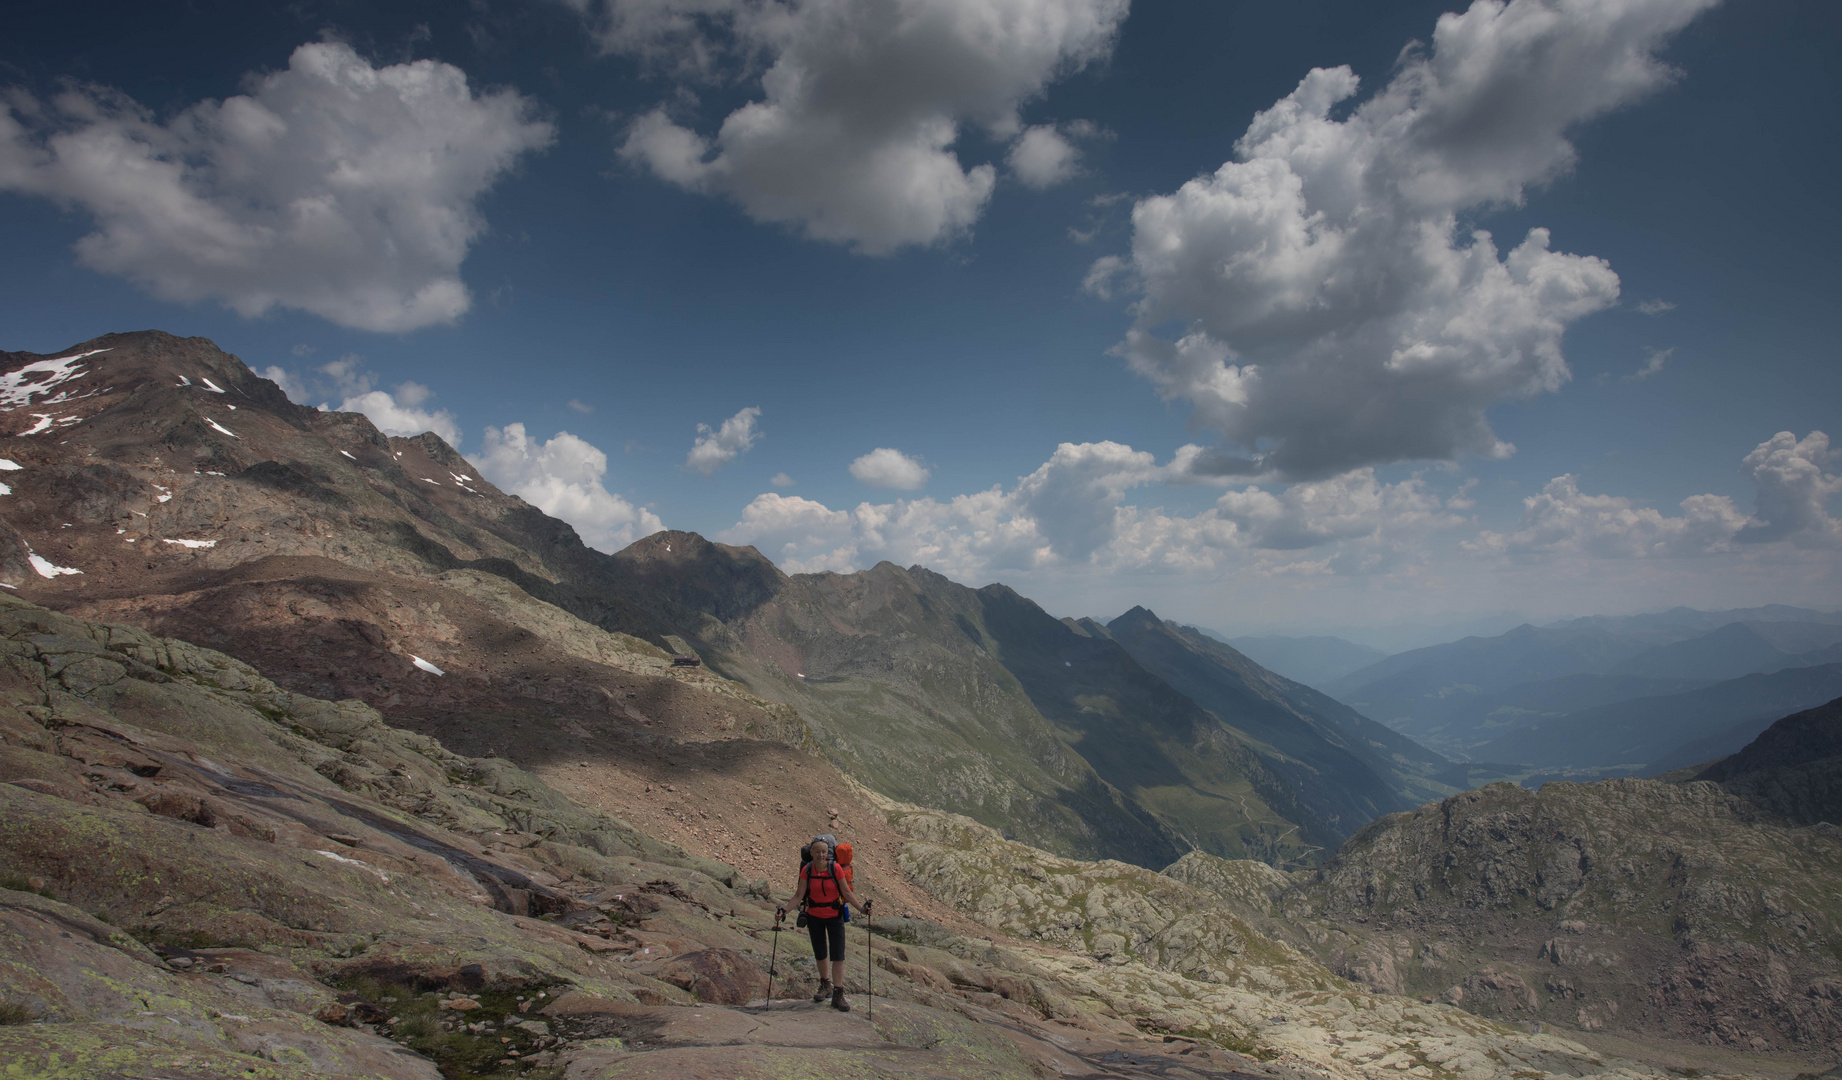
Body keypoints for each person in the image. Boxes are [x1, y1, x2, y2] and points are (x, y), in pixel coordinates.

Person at [787, 837, 869, 1011]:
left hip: (834, 916)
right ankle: (826, 986)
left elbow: (847, 892)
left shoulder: (835, 868)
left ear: (828, 854)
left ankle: (838, 993)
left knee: (837, 955)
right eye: (817, 852)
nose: (821, 855)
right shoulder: (807, 871)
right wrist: (783, 911)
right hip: (814, 916)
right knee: (820, 952)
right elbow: (798, 895)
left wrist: (861, 909)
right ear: (812, 853)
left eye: (823, 852)